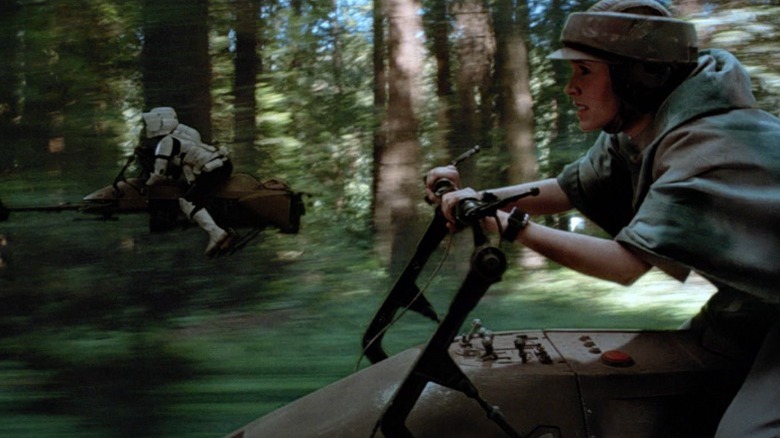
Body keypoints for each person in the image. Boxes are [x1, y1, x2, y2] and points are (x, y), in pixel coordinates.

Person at [425, 1, 780, 436]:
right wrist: (476, 199)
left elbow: (624, 264)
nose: (570, 88)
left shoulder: (707, 145)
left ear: (638, 75)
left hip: (767, 306)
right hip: (756, 303)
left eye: (585, 72)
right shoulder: (642, 131)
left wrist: (513, 226)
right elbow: (568, 188)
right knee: (674, 390)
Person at [142, 107, 233, 256]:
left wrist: (145, 186)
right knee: (199, 196)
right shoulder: (186, 135)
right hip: (222, 165)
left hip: (213, 169)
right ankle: (222, 231)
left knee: (187, 201)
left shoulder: (166, 142)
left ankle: (217, 233)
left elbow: (159, 174)